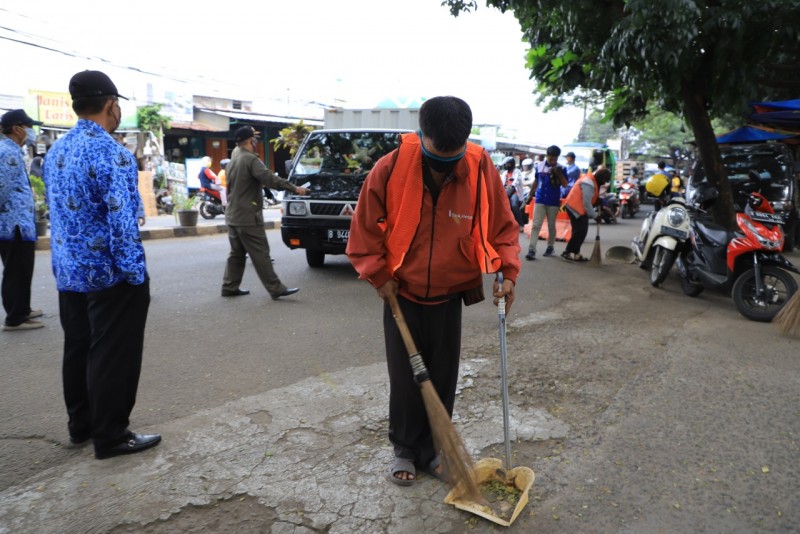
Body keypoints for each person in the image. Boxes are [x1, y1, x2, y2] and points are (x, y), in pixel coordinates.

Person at [345, 96, 521, 486]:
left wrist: (508, 271)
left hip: (449, 294)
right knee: (406, 377)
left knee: (441, 377)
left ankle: (434, 450)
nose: (446, 163)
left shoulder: (479, 168)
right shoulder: (391, 167)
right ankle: (406, 449)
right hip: (402, 294)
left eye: (453, 155)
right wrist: (378, 274)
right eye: (438, 155)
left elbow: (503, 227)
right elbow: (364, 230)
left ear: (466, 141)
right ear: (421, 135)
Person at [42, 70, 160, 459]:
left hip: (70, 270)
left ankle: (82, 426)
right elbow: (121, 223)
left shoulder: (56, 151)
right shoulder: (113, 152)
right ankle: (111, 435)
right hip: (110, 274)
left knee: (78, 347)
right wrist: (134, 276)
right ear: (111, 105)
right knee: (113, 353)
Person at [222, 126, 309, 299]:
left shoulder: (233, 158)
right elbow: (270, 179)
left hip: (233, 215)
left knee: (236, 254)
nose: (256, 141)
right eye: (254, 138)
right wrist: (294, 188)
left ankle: (229, 286)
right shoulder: (250, 159)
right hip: (247, 217)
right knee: (260, 253)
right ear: (250, 140)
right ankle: (276, 288)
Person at [0, 109, 44, 331]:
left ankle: (22, 309)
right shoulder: (7, 153)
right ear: (17, 129)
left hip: (19, 223)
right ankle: (15, 318)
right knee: (16, 270)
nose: (32, 131)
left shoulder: (13, 151)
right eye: (29, 127)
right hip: (12, 224)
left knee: (22, 269)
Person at [525, 145, 568, 260]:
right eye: (551, 158)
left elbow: (565, 184)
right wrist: (530, 195)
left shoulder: (562, 168)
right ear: (547, 155)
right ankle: (531, 250)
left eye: (555, 158)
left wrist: (559, 173)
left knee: (551, 225)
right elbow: (536, 181)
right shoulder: (539, 166)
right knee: (536, 225)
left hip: (553, 201)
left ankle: (550, 247)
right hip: (540, 199)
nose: (553, 160)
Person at [562, 168, 611, 262]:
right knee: (579, 231)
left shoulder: (593, 180)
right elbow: (587, 203)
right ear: (601, 179)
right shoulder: (589, 183)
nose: (604, 184)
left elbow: (590, 198)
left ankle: (575, 253)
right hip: (574, 206)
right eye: (604, 181)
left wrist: (597, 201)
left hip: (577, 206)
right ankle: (568, 252)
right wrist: (595, 216)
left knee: (581, 231)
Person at [500, 156, 525, 229]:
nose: (506, 165)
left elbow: (515, 182)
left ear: (511, 164)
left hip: (515, 193)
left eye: (507, 164)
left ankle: (521, 224)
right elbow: (501, 183)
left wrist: (510, 188)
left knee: (514, 205)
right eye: (505, 164)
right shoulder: (504, 173)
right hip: (505, 192)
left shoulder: (517, 172)